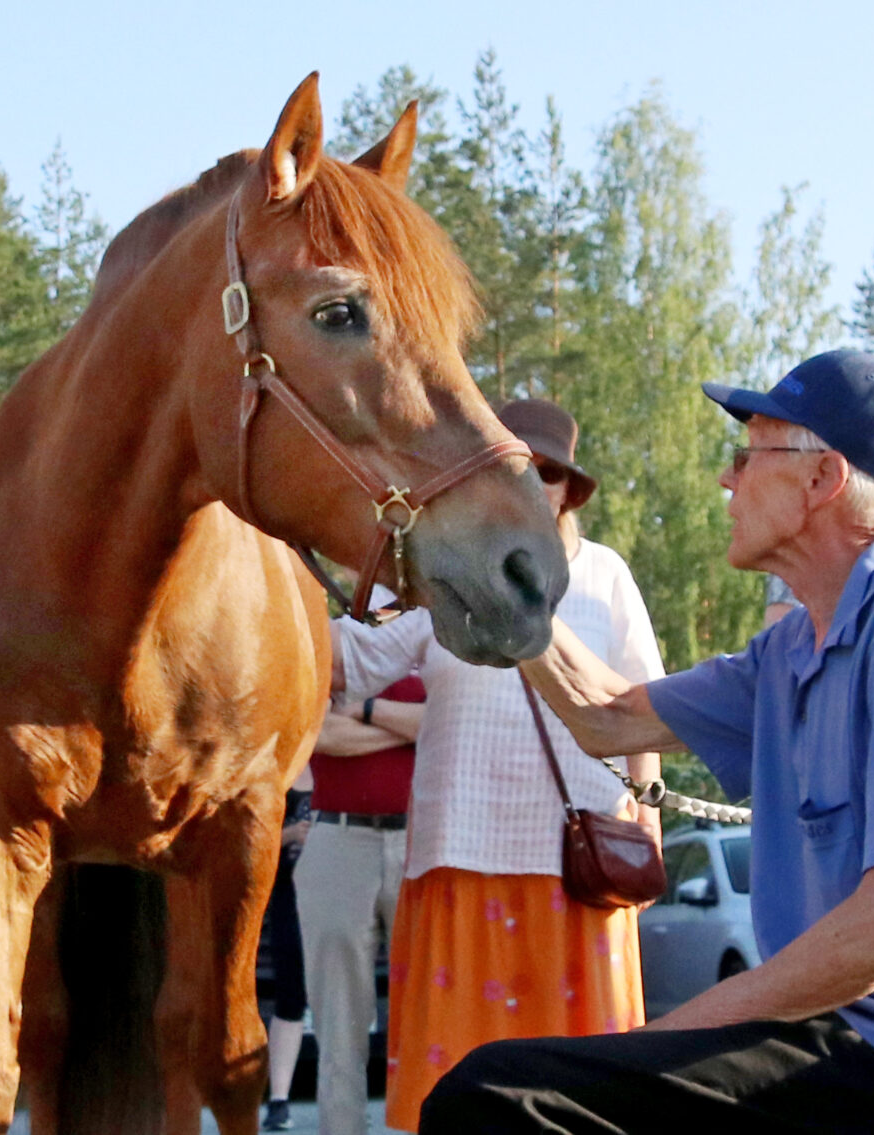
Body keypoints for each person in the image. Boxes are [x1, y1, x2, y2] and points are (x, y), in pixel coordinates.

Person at [422, 350, 874, 1134]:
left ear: (822, 479)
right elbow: (609, 717)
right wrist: (502, 585)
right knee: (509, 1087)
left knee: (494, 1099)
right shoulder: (796, 646)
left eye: (747, 453)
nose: (727, 480)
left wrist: (661, 1041)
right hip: (844, 1038)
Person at [332, 398, 666, 1132]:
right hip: (461, 855)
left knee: (588, 1082)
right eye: (519, 467)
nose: (534, 483)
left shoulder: (606, 575)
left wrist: (649, 811)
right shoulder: (440, 569)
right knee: (457, 1081)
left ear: (568, 491)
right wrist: (267, 588)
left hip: (580, 867)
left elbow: (646, 698)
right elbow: (350, 656)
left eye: (550, 473)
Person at [287, 672, 425, 1135]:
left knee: (431, 1015)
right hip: (337, 842)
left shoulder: (437, 641)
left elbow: (446, 724)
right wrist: (408, 728)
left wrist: (363, 710)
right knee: (337, 1024)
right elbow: (322, 733)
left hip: (422, 842)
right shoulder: (336, 646)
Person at [260, 764, 314, 1131]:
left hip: (334, 888)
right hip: (287, 893)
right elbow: (251, 836)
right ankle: (278, 1099)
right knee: (290, 993)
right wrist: (291, 834)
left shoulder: (339, 754)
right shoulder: (280, 768)